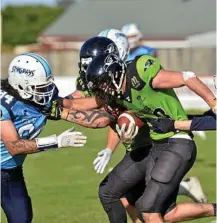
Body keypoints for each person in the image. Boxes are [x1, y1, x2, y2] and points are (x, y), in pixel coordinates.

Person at [58, 52, 216, 223]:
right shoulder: (117, 93)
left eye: (103, 84)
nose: (103, 90)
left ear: (115, 74)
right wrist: (52, 105)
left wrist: (213, 103)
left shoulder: (139, 73)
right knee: (154, 210)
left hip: (178, 142)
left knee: (149, 208)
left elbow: (187, 77)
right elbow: (78, 104)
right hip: (158, 145)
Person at [1, 53, 87, 223]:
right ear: (21, 85)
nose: (46, 92)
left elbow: (75, 104)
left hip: (10, 170)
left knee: (21, 219)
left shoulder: (35, 99)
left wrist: (110, 105)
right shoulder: (4, 105)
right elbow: (14, 146)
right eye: (39, 88)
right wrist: (57, 141)